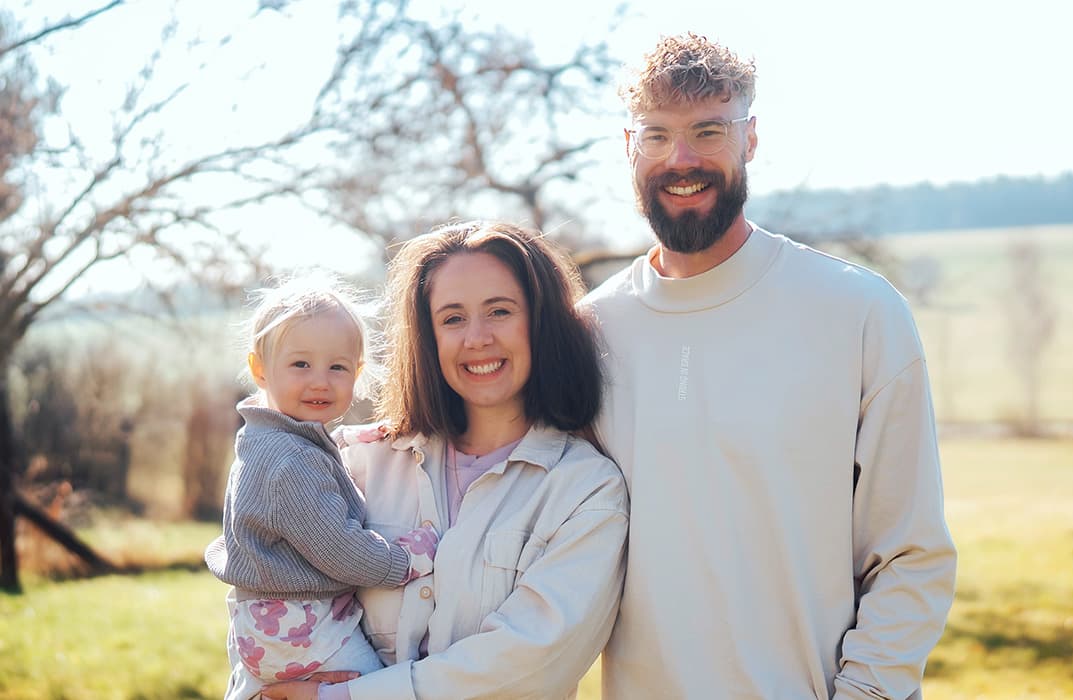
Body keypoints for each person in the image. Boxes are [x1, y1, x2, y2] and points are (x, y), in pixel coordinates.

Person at [581, 33, 957, 699]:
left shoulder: (858, 312)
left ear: (750, 139)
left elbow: (910, 557)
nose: (682, 158)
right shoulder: (588, 335)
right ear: (628, 146)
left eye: (708, 131)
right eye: (657, 135)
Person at [255, 221, 629, 700]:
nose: (477, 338)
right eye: (452, 318)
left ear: (541, 323)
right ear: (428, 337)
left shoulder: (586, 490)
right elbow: (264, 599)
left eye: (499, 311)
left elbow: (532, 664)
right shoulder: (353, 461)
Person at [204, 275, 439, 693]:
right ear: (260, 368)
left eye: (338, 367)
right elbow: (339, 548)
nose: (320, 381)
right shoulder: (290, 460)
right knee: (370, 689)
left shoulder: (268, 437)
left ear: (357, 373)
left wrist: (355, 438)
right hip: (303, 630)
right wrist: (406, 561)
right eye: (300, 364)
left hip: (269, 622)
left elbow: (316, 472)